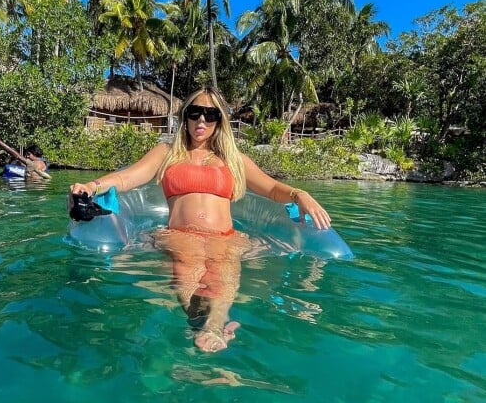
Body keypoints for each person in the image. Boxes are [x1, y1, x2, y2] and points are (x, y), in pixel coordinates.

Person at [70, 87, 331, 352]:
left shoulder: (233, 159)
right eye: (195, 113)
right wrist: (92, 186)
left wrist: (300, 195)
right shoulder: (167, 153)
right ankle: (203, 326)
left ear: (220, 121)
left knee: (225, 268)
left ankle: (215, 326)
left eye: (210, 114)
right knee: (189, 263)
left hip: (225, 237)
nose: (201, 121)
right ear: (185, 117)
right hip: (181, 236)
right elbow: (127, 178)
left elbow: (272, 189)